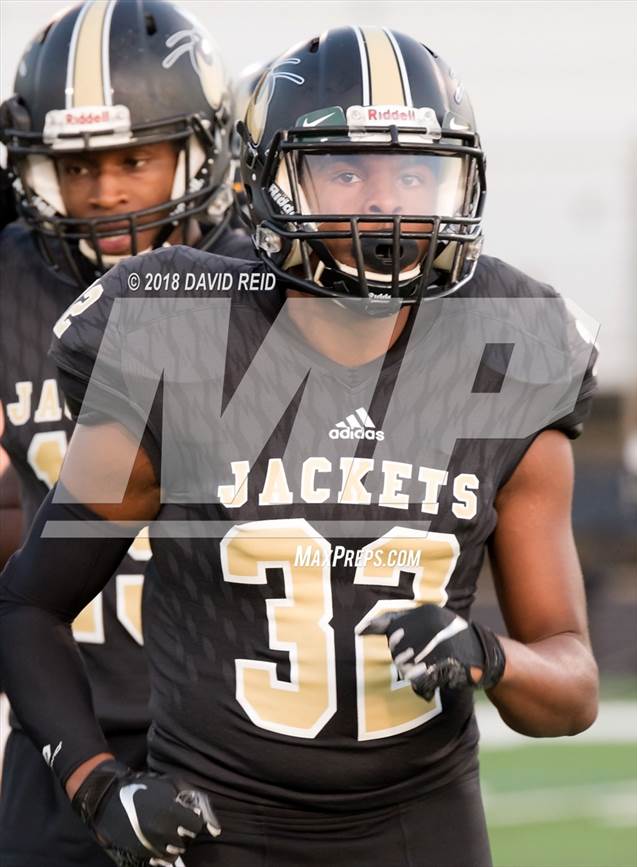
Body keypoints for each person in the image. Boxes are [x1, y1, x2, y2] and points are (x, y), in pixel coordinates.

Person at [0, 25, 598, 867]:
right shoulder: (181, 337)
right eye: (346, 169)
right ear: (270, 185)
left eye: (414, 173)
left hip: (420, 825)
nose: (386, 203)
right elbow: (29, 603)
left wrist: (493, 657)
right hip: (225, 822)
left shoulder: (510, 353)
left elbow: (572, 690)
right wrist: (99, 784)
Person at [0, 1, 253, 864]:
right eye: (75, 165)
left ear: (200, 151)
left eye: (133, 159)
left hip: (241, 728)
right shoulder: (10, 284)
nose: (103, 190)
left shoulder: (264, 284)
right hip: (64, 723)